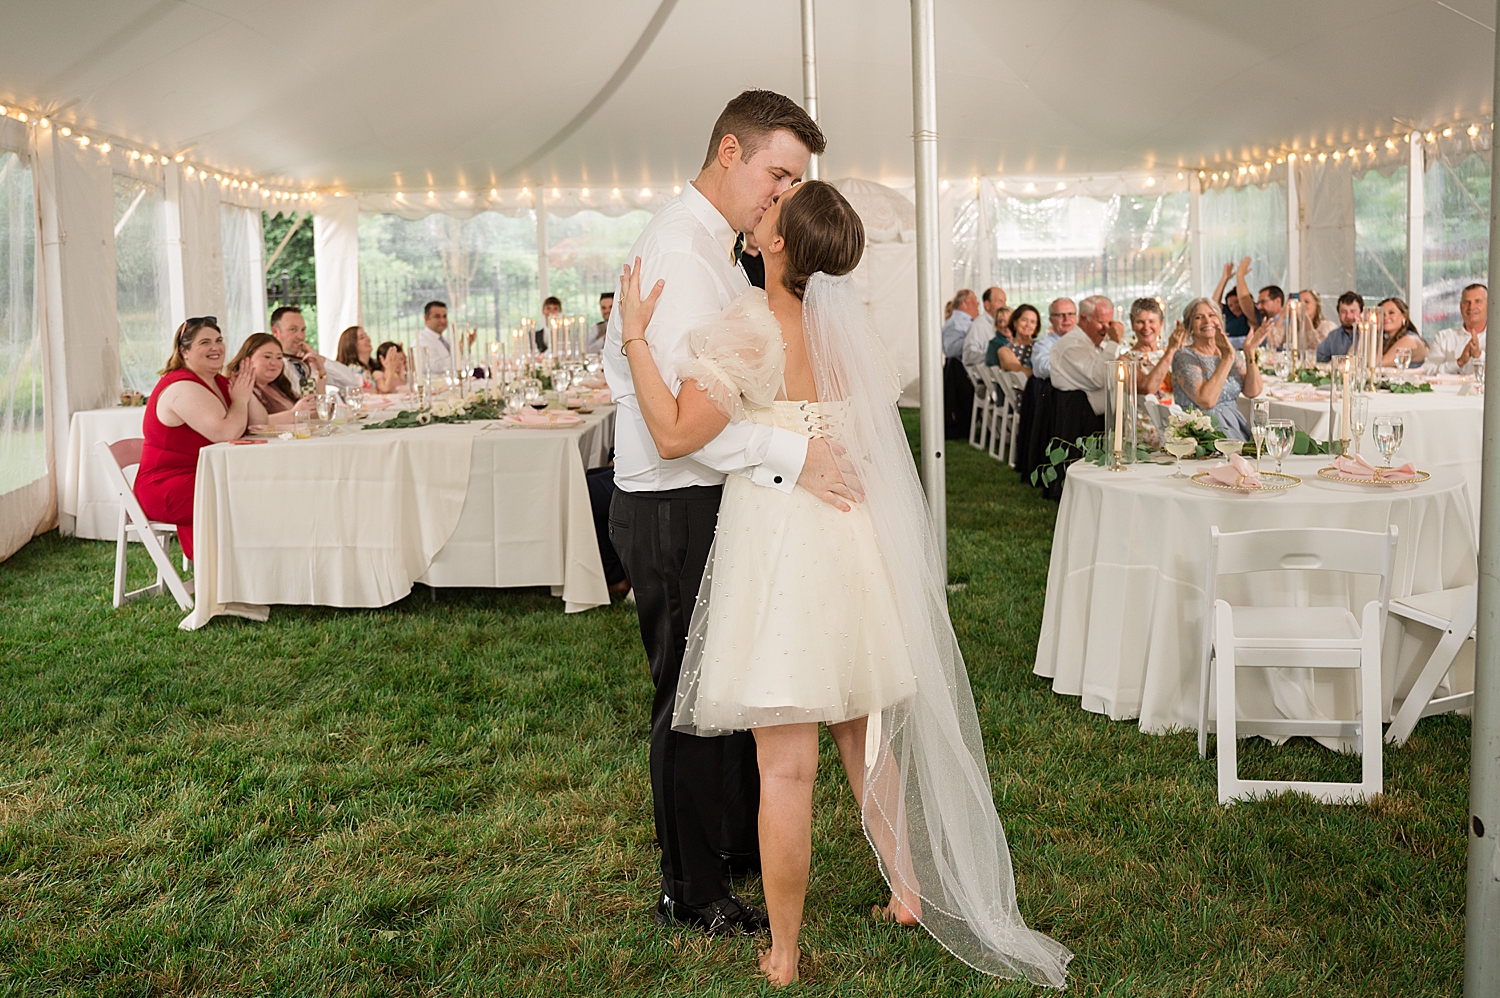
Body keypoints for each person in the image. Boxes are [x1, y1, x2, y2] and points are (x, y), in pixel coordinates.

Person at [616, 177, 1071, 989]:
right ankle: (906, 890)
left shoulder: (750, 328)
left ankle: (785, 954)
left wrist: (637, 342)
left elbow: (674, 431)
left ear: (782, 244)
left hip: (782, 542)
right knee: (863, 737)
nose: (761, 214)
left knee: (786, 768)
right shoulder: (845, 328)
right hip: (849, 535)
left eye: (773, 214)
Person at [602, 89, 856, 948]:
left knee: (723, 684)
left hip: (707, 492)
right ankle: (693, 887)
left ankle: (730, 848)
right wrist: (795, 457)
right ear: (727, 152)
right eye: (776, 173)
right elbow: (683, 427)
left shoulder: (718, 247)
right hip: (670, 500)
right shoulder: (681, 247)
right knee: (686, 697)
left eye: (793, 180)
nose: (782, 195)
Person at [135, 317, 255, 562]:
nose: (216, 347)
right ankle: (227, 574)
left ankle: (248, 570)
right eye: (205, 342)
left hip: (203, 477)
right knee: (247, 493)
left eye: (219, 340)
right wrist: (240, 400)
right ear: (185, 351)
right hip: (166, 487)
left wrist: (247, 390)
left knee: (257, 485)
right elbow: (226, 433)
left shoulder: (216, 381)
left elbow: (256, 423)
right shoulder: (181, 386)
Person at [1172, 297, 1266, 439]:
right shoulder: (1184, 356)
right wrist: (1227, 359)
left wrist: (1249, 352)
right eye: (1198, 317)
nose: (1207, 321)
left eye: (1212, 315)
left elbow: (1253, 391)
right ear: (1190, 326)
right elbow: (1207, 401)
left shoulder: (1229, 351)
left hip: (1235, 426)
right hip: (1204, 433)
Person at [227, 333, 314, 425]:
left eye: (279, 358)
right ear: (248, 358)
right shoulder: (238, 387)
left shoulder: (279, 385)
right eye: (267, 357)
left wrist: (321, 374)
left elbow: (311, 412)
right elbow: (249, 424)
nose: (274, 363)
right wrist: (293, 414)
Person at [1128, 298, 1186, 395]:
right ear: (1132, 325)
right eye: (1140, 322)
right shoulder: (1125, 360)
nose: (1146, 327)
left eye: (1151, 321)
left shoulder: (1173, 353)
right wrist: (1171, 350)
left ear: (1161, 324)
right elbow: (1147, 390)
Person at [941, 289, 978, 438]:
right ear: (967, 302)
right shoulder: (955, 323)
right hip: (963, 373)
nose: (978, 304)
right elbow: (951, 350)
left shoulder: (965, 322)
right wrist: (974, 342)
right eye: (975, 300)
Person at [1427, 283, 1487, 374]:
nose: (1471, 307)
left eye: (1478, 301)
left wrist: (1478, 355)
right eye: (1467, 302)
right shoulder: (1443, 337)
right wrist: (1459, 363)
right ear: (1460, 306)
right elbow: (1427, 371)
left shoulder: (1496, 338)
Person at [1210, 259, 1254, 346]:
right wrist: (1224, 278)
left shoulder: (1251, 316)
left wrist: (1240, 276)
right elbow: (1214, 304)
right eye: (1230, 305)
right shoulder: (1229, 316)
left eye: (1237, 302)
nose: (1234, 307)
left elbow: (1245, 300)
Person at [1376, 297, 1428, 367]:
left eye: (1391, 313)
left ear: (1404, 317)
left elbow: (1378, 364)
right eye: (1382, 313)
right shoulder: (1386, 342)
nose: (1385, 317)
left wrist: (1378, 332)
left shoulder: (1409, 339)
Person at [962, 287, 1006, 367]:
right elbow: (968, 356)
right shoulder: (978, 325)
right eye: (1000, 302)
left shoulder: (1004, 326)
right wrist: (993, 355)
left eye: (1004, 302)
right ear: (987, 305)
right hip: (986, 377)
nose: (1004, 306)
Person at [1316, 292, 1364, 361]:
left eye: (1353, 311)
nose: (1348, 316)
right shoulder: (1333, 336)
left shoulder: (1368, 336)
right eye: (1344, 312)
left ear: (1361, 312)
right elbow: (1318, 359)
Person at [991, 303, 1038, 372]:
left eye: (1032, 322)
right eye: (1024, 320)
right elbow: (1021, 374)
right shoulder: (1004, 351)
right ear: (1015, 322)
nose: (1028, 325)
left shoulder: (1041, 345)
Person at [1295, 289, 1337, 353]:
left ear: (1316, 305)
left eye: (1306, 302)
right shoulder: (1294, 327)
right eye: (1299, 302)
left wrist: (1305, 317)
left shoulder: (1327, 326)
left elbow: (1318, 349)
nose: (1301, 305)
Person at [419, 301, 455, 376]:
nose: (443, 320)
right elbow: (438, 367)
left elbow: (463, 363)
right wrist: (458, 352)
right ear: (426, 318)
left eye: (444, 316)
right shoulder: (422, 341)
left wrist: (466, 347)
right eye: (437, 316)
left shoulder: (446, 340)